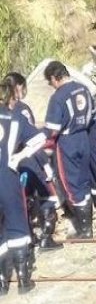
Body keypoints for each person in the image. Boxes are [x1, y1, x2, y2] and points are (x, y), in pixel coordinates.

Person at [4, 72, 62, 251]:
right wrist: (45, 163)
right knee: (49, 195)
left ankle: (24, 237)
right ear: (19, 87)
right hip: (26, 160)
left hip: (8, 165)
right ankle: (45, 239)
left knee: (20, 201)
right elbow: (35, 139)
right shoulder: (21, 109)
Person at [0, 81, 47, 294]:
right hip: (7, 175)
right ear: (10, 98)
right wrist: (19, 156)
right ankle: (23, 281)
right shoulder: (16, 117)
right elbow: (40, 137)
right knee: (17, 225)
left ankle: (1, 284)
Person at [43, 60, 95, 239]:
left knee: (70, 184)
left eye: (50, 83)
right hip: (84, 138)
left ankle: (84, 230)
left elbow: (52, 129)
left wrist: (45, 149)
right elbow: (92, 114)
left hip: (67, 142)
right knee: (83, 180)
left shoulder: (58, 97)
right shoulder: (84, 89)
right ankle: (88, 225)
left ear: (54, 79)